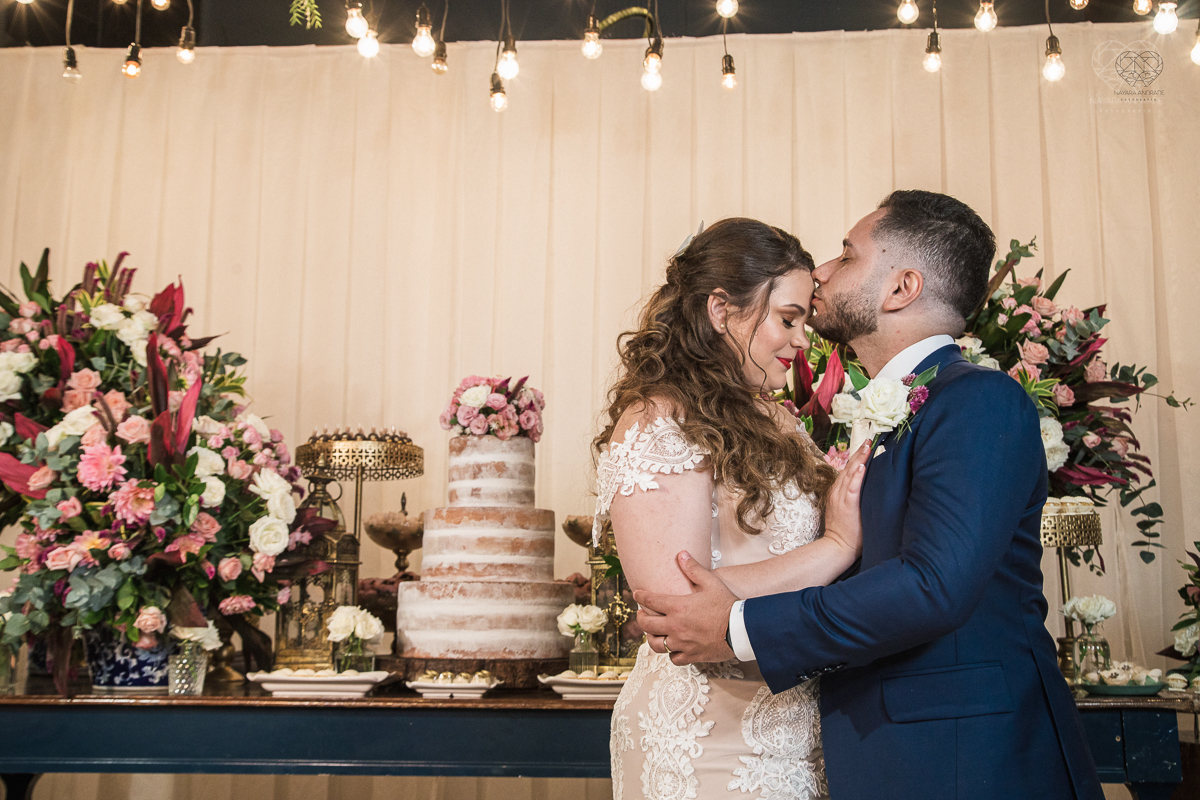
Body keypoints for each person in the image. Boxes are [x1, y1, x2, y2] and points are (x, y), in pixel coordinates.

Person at [635, 191, 1105, 800]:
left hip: (962, 760)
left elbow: (931, 586)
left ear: (901, 288)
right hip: (867, 751)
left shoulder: (978, 401)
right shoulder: (873, 411)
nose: (822, 273)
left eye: (846, 255)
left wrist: (741, 625)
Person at [593, 217, 870, 800]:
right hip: (705, 744)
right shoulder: (658, 421)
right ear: (721, 310)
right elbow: (677, 612)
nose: (802, 340)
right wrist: (834, 549)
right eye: (787, 319)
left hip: (800, 729)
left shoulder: (776, 416)